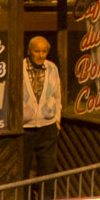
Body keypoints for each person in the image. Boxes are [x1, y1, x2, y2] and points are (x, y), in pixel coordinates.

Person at [21, 35, 63, 177]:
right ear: (29, 51)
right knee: (22, 169)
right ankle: (23, 198)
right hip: (25, 128)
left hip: (47, 126)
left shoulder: (52, 68)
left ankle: (46, 198)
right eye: (37, 51)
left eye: (44, 52)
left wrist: (57, 120)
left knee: (47, 169)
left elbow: (57, 96)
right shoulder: (20, 68)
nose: (40, 55)